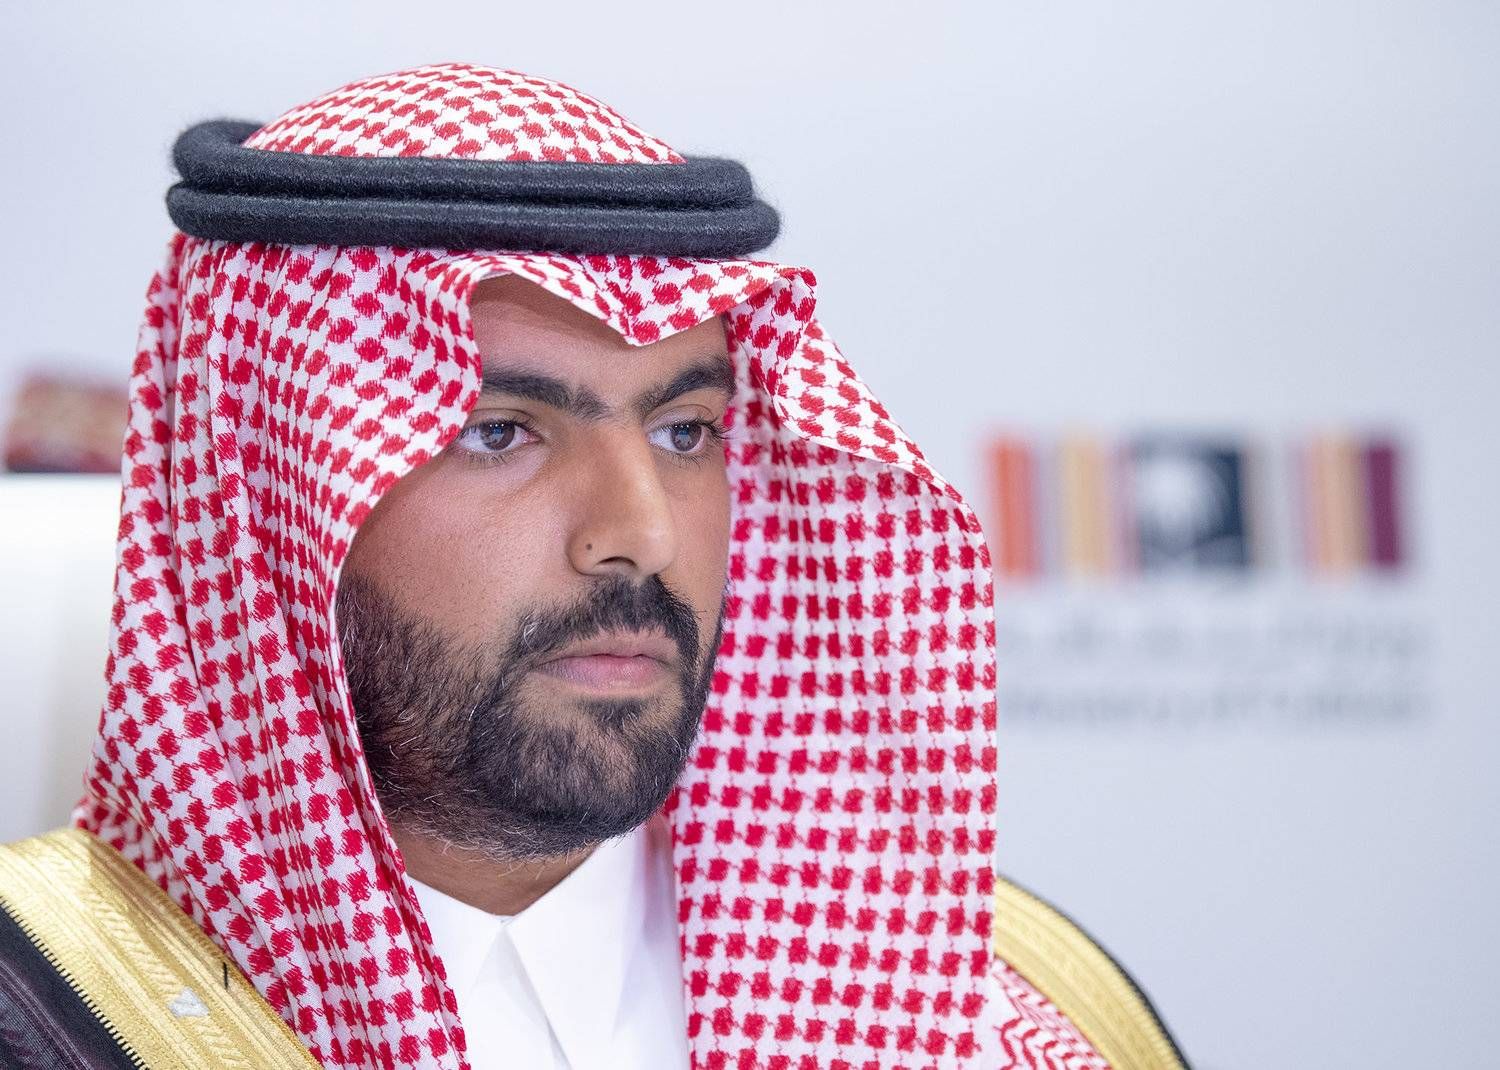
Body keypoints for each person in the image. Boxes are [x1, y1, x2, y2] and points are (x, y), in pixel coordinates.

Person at [0, 64, 1184, 1069]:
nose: (641, 532)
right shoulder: (49, 1011)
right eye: (497, 432)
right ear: (269, 498)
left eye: (685, 431)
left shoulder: (1023, 1011)